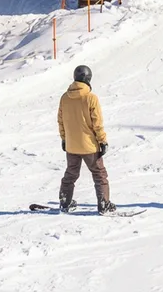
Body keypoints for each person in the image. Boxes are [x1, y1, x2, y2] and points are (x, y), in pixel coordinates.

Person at [58, 65, 115, 213]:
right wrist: (102, 141)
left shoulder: (65, 97)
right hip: (89, 145)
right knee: (99, 174)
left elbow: (61, 121)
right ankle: (104, 204)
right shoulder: (90, 98)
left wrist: (65, 139)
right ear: (88, 79)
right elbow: (97, 123)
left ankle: (65, 202)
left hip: (71, 145)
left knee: (71, 174)